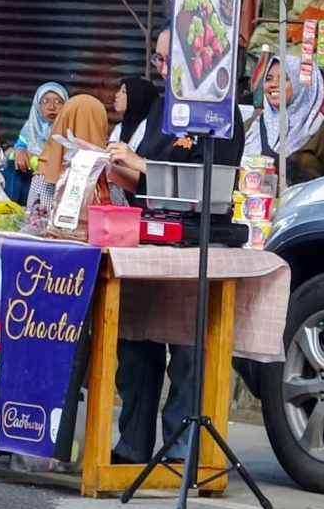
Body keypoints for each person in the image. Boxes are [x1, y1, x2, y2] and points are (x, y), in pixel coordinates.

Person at [104, 27, 245, 465]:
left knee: (186, 353)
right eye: (159, 60)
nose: (161, 69)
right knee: (134, 343)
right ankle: (131, 444)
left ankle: (180, 451)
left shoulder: (220, 111)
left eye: (169, 61)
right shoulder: (162, 104)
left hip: (196, 240)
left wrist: (138, 162)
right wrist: (108, 165)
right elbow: (145, 181)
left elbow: (207, 183)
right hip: (147, 235)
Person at [244, 55, 324, 186]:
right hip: (254, 205)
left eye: (284, 79)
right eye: (269, 79)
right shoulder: (252, 127)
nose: (273, 85)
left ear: (302, 85)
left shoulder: (322, 130)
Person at [25, 95, 128, 229]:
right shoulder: (109, 173)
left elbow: (33, 222)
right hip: (98, 247)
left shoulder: (46, 170)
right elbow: (121, 220)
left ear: (62, 120)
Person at [4, 82, 68, 204]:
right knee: (12, 165)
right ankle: (10, 208)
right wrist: (20, 151)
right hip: (31, 176)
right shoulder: (31, 127)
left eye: (58, 102)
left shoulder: (68, 129)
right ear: (37, 105)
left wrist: (33, 158)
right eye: (45, 101)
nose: (51, 107)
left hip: (55, 181)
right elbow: (20, 144)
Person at [108, 77, 158, 149]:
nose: (116, 95)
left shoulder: (148, 128)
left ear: (137, 96)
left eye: (124, 91)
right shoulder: (120, 127)